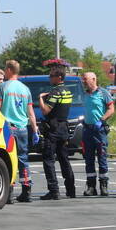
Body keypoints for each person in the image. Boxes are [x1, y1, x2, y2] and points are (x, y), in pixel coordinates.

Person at [0, 60, 38, 202]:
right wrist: (35, 129)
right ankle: (26, 190)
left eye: (5, 70)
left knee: (8, 160)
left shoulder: (3, 87)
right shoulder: (25, 89)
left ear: (9, 70)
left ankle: (9, 192)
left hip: (7, 129)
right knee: (23, 159)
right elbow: (30, 112)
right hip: (22, 128)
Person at [37, 63, 75, 200]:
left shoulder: (55, 92)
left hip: (53, 129)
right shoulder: (67, 91)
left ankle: (54, 191)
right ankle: (71, 190)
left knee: (48, 160)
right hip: (64, 127)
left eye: (51, 76)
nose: (49, 78)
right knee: (64, 160)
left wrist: (40, 98)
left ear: (59, 77)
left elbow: (46, 110)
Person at [80, 71, 114, 196]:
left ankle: (104, 185)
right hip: (87, 129)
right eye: (83, 79)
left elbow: (111, 109)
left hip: (99, 130)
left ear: (93, 79)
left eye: (85, 79)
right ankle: (91, 186)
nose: (84, 81)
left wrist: (102, 120)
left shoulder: (103, 93)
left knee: (102, 157)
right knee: (88, 158)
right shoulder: (85, 94)